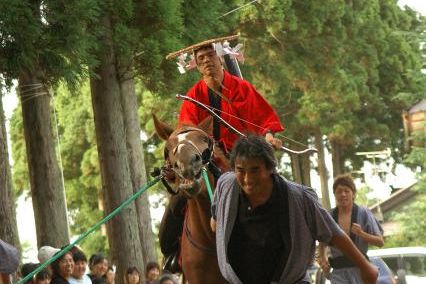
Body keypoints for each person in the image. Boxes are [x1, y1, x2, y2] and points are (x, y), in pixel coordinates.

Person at [160, 36, 284, 272]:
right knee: (177, 201)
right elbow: (185, 132)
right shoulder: (192, 96)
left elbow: (265, 118)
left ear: (221, 58)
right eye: (201, 58)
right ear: (196, 65)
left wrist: (268, 135)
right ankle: (172, 253)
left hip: (243, 161)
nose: (207, 61)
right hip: (205, 162)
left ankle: (281, 250)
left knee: (277, 193)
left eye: (211, 56)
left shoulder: (243, 88)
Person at [210, 135, 379, 284]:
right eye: (240, 170)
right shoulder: (226, 186)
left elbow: (333, 234)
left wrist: (365, 266)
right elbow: (215, 224)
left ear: (270, 169)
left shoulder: (299, 198)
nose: (247, 179)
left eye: (255, 170)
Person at [318, 174, 384, 283]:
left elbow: (380, 242)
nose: (343, 194)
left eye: (346, 191)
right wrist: (323, 259)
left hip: (361, 270)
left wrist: (362, 233)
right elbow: (322, 242)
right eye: (339, 191)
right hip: (338, 272)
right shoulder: (328, 216)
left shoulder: (364, 213)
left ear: (353, 194)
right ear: (334, 194)